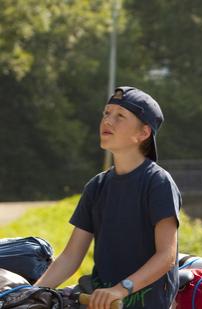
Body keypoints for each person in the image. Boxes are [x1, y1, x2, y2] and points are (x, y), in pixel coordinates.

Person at [35, 86, 182, 309]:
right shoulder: (97, 186)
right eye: (106, 113)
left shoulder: (158, 182)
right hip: (99, 301)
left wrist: (120, 289)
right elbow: (71, 256)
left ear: (143, 133)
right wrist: (32, 293)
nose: (108, 121)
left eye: (120, 116)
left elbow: (166, 256)